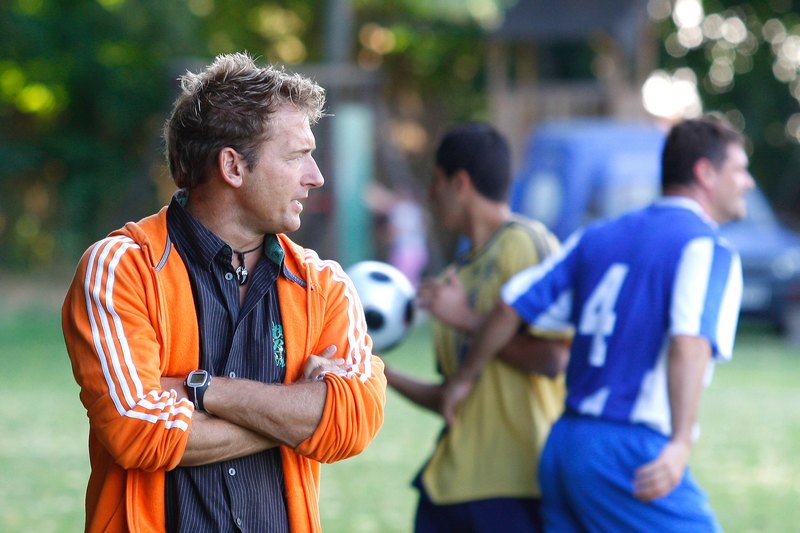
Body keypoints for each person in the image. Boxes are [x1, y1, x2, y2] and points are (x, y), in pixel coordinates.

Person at [61, 52, 386, 533]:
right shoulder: (122, 268)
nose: (316, 176)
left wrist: (201, 390)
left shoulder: (325, 286)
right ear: (233, 166)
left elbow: (352, 422)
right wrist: (298, 414)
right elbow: (138, 432)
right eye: (296, 156)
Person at [441, 116, 754, 531]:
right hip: (629, 450)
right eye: (740, 169)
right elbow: (689, 343)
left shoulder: (598, 235)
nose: (748, 182)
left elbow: (510, 306)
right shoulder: (706, 246)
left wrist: (464, 378)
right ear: (705, 173)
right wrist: (681, 442)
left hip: (564, 446)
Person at [384, 123, 570, 532]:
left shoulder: (525, 243)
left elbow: (555, 359)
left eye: (435, 182)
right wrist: (381, 372)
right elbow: (451, 399)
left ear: (459, 183)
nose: (430, 195)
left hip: (516, 487)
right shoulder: (454, 278)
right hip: (446, 489)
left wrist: (468, 320)